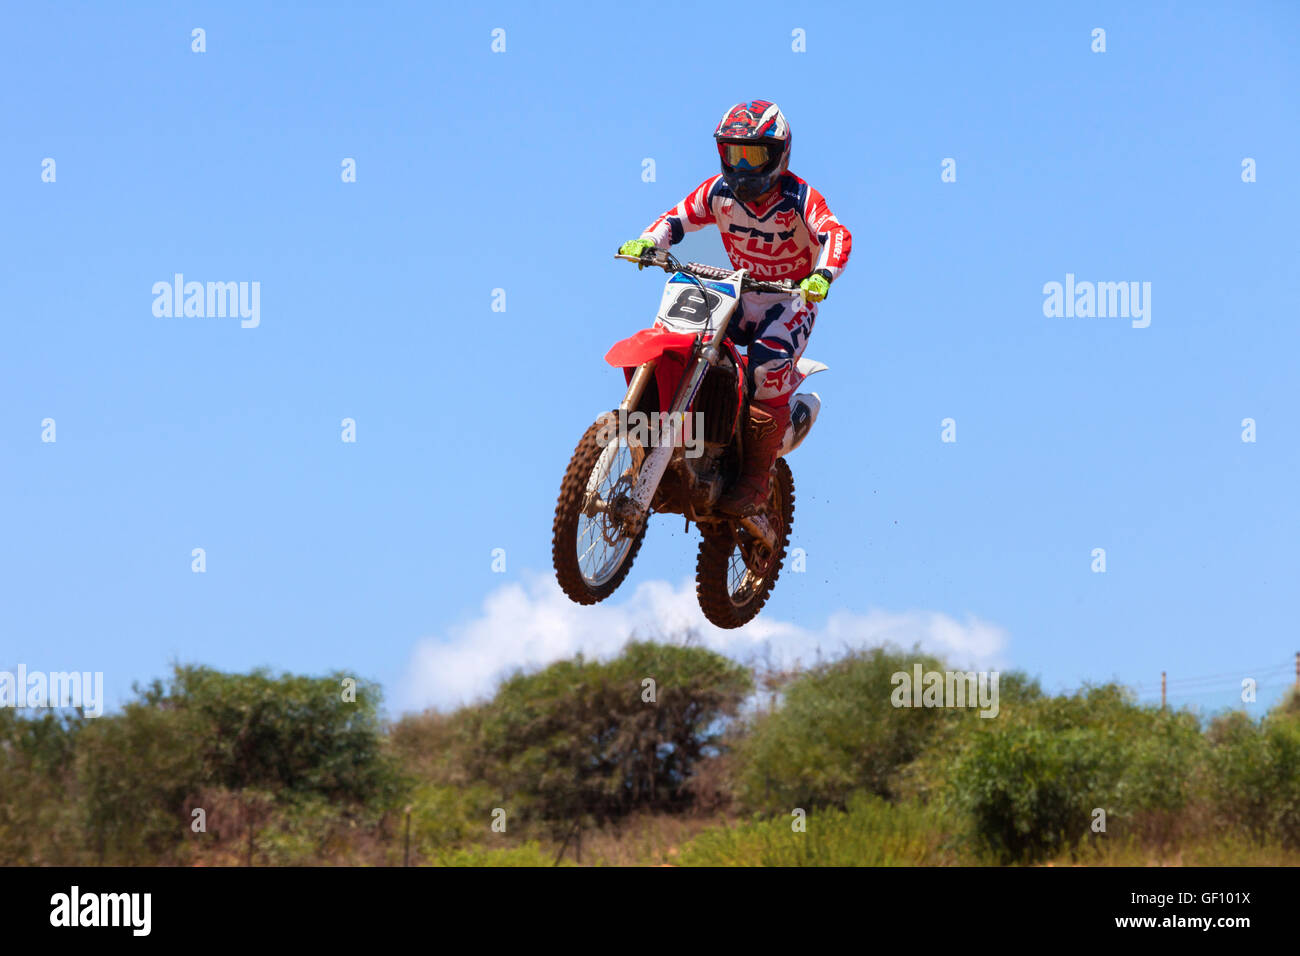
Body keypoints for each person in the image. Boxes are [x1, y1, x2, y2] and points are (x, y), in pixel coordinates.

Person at [618, 100, 852, 516]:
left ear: (779, 154)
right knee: (684, 340)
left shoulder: (799, 197)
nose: (742, 167)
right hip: (740, 291)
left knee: (766, 363)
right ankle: (685, 439)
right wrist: (649, 241)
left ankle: (756, 478)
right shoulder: (717, 191)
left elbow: (835, 233)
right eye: (733, 154)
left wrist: (823, 275)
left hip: (791, 298)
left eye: (754, 155)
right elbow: (677, 218)